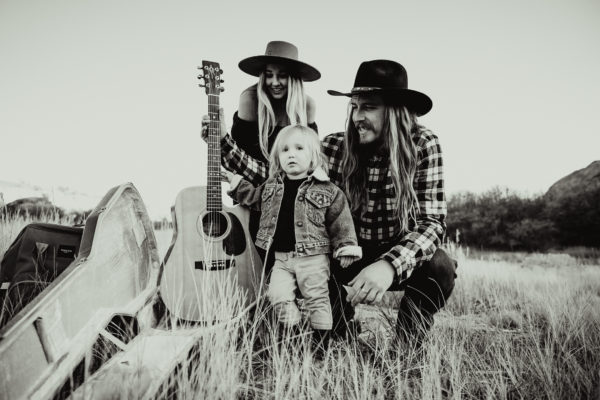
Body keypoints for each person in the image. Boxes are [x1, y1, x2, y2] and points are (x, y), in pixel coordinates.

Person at [323, 59, 457, 345]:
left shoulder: (423, 144)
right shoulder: (333, 147)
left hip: (398, 249)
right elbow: (282, 170)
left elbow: (431, 223)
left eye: (369, 107)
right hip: (347, 253)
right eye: (355, 106)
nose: (358, 116)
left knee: (440, 266)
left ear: (396, 111)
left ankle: (408, 347)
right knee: (311, 260)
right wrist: (223, 143)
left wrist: (388, 265)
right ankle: (340, 338)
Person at [225, 124, 361, 347]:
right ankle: (296, 332)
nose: (291, 154)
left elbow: (340, 219)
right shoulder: (271, 186)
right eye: (285, 150)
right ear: (278, 157)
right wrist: (236, 184)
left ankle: (321, 344)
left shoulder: (327, 190)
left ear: (313, 157)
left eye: (299, 148)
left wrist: (346, 246)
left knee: (317, 299)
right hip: (282, 259)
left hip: (313, 258)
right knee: (277, 295)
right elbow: (253, 198)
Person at [225, 40, 320, 186]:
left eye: (282, 75)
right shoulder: (250, 99)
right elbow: (238, 159)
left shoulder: (307, 105)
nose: (274, 82)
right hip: (251, 184)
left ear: (293, 78)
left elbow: (310, 157)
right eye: (269, 75)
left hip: (292, 186)